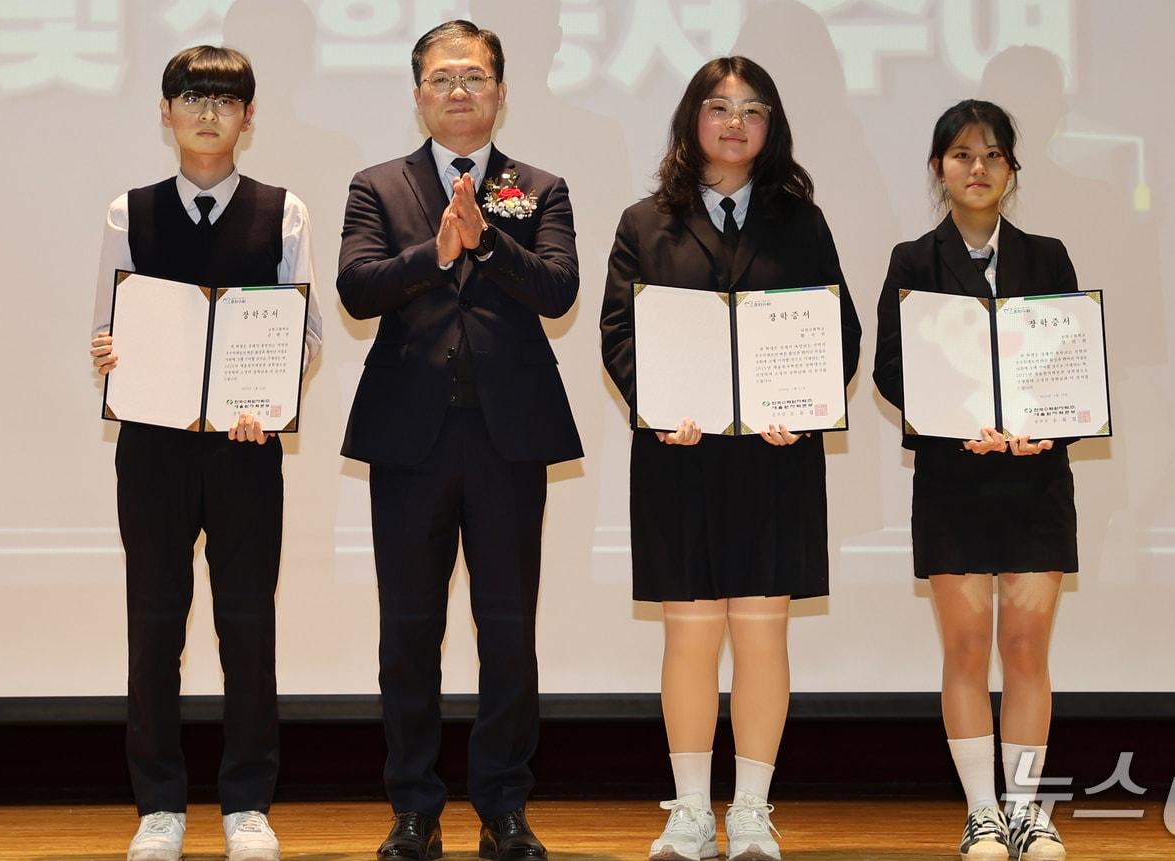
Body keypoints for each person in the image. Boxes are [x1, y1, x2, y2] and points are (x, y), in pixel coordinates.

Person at [600, 57, 861, 861]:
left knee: (760, 636)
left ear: (771, 127)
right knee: (688, 635)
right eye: (719, 107)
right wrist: (659, 404)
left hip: (772, 461)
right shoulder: (645, 222)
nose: (735, 122)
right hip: (680, 457)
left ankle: (750, 808)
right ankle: (687, 809)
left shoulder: (800, 222)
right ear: (692, 120)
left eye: (753, 110)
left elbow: (836, 331)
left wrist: (803, 405)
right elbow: (619, 335)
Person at [336, 19, 581, 861]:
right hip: (411, 441)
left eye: (474, 77)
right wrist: (434, 253)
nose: (459, 92)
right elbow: (357, 289)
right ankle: (413, 807)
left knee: (507, 630)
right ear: (417, 96)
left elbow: (558, 289)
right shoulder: (378, 185)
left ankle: (504, 808)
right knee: (408, 631)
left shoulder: (539, 186)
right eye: (441, 79)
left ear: (502, 92)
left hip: (508, 439)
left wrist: (489, 242)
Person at [89, 45, 323, 861]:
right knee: (154, 624)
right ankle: (159, 803)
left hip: (245, 449)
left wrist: (270, 398)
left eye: (226, 100)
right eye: (192, 97)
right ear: (165, 112)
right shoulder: (130, 210)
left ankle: (247, 802)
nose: (208, 113)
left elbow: (307, 333)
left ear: (249, 117)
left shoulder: (282, 210)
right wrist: (109, 355)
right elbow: (110, 328)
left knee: (246, 624)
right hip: (151, 450)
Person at [872, 99, 1075, 861]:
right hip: (954, 477)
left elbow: (1068, 364)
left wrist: (1044, 423)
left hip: (1036, 478)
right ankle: (983, 812)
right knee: (965, 647)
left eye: (993, 155)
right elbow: (892, 368)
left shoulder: (1048, 256)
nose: (978, 169)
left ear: (1012, 169)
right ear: (939, 168)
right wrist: (957, 420)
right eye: (961, 155)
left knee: (1025, 649)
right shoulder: (912, 261)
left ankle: (1028, 809)